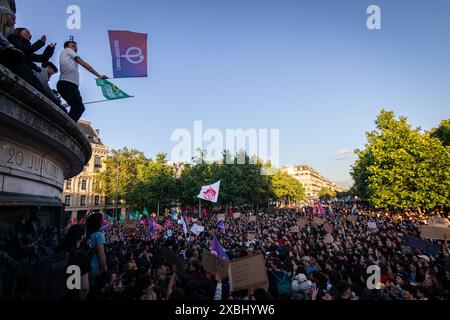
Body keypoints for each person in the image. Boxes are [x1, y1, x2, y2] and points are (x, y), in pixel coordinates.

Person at [57, 40, 108, 122]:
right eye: (73, 46)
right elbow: (84, 64)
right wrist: (99, 75)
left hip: (70, 85)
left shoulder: (67, 56)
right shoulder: (68, 50)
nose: (75, 48)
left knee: (77, 108)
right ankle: (65, 128)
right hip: (67, 84)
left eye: (76, 47)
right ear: (67, 46)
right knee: (79, 108)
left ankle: (65, 126)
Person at [60, 224, 91, 300]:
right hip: (72, 295)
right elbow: (84, 288)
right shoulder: (81, 255)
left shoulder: (60, 249)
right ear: (82, 236)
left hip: (57, 293)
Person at [86, 213, 108, 286]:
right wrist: (105, 268)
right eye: (101, 220)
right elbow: (101, 254)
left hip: (85, 267)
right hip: (94, 268)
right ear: (98, 222)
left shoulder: (86, 233)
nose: (103, 222)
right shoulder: (98, 235)